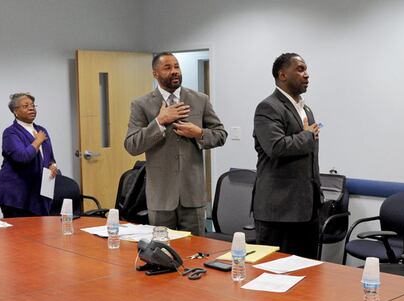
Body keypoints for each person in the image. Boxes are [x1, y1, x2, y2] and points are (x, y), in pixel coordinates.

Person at [124, 52, 227, 236]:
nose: (174, 71)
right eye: (167, 67)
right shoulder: (141, 104)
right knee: (162, 253)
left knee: (196, 253)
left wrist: (199, 133)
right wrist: (159, 122)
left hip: (193, 195)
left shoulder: (199, 100)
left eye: (177, 67)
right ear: (155, 73)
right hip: (161, 198)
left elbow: (220, 135)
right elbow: (132, 145)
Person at [252, 53, 321, 258]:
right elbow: (276, 147)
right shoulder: (268, 107)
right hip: (279, 211)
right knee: (274, 276)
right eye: (300, 69)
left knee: (308, 275)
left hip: (306, 209)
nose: (306, 75)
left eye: (306, 69)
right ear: (282, 75)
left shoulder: (305, 109)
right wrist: (307, 136)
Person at [0, 93, 58, 217]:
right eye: (26, 106)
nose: (31, 108)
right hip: (16, 194)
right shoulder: (10, 133)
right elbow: (22, 157)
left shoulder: (41, 130)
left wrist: (52, 165)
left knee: (40, 233)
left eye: (33, 105)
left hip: (38, 192)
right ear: (15, 111)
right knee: (20, 234)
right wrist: (38, 141)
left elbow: (49, 157)